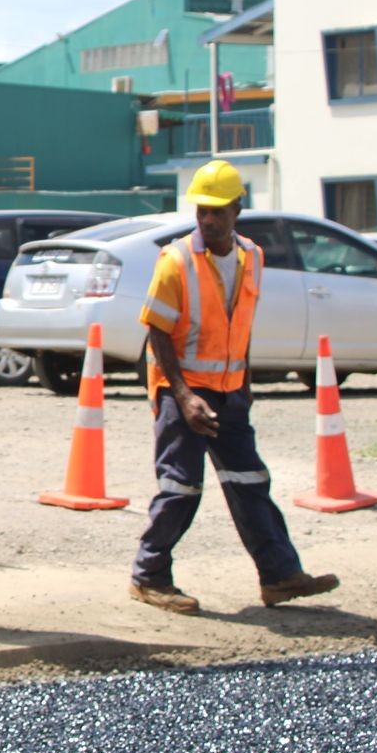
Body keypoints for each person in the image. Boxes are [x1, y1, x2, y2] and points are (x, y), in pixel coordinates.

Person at [128, 160, 340, 614]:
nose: (209, 219)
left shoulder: (253, 258)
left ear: (237, 209)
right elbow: (158, 332)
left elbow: (238, 327)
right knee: (180, 488)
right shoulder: (176, 260)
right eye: (203, 210)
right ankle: (149, 576)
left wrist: (244, 384)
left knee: (250, 482)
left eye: (218, 211)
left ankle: (280, 576)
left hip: (229, 392)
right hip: (180, 391)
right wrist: (183, 396)